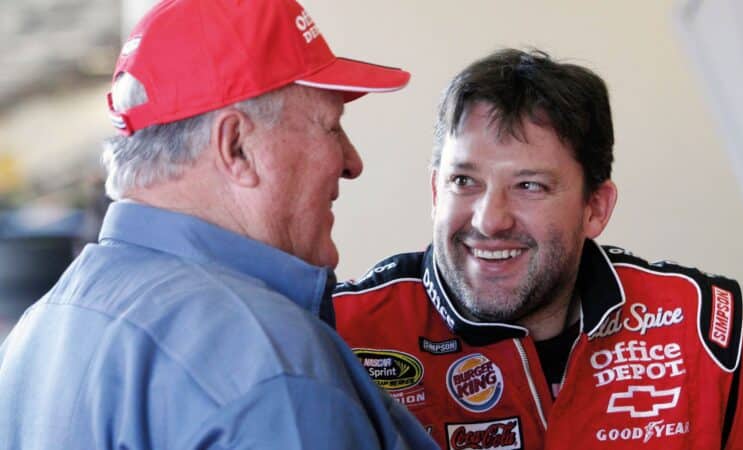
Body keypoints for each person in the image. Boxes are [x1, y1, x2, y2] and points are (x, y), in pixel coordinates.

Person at [0, 0, 438, 448]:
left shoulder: (37, 333)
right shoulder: (272, 366)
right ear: (237, 148)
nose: (352, 162)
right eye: (331, 127)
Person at [333, 48, 743, 449]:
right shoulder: (347, 333)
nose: (489, 220)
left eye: (529, 185)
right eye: (464, 181)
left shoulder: (700, 327)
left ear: (595, 208)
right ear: (436, 192)